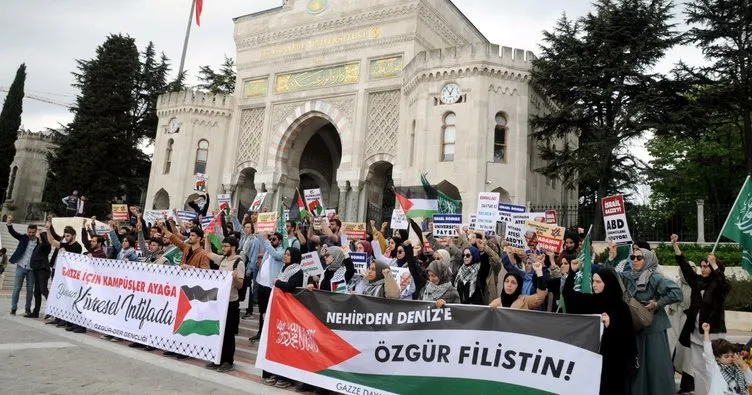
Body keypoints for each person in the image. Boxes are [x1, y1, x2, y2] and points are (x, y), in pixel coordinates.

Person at [605, 241, 683, 395]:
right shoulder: (628, 276)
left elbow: (677, 293)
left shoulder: (655, 277)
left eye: (639, 258)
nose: (634, 260)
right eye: (632, 257)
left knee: (655, 365)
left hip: (653, 329)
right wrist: (611, 257)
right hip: (635, 327)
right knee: (637, 365)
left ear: (647, 259)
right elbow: (608, 278)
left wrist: (657, 303)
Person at [560, 262, 637, 395]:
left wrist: (611, 323)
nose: (594, 284)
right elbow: (569, 296)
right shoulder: (590, 301)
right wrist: (572, 272)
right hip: (593, 359)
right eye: (593, 281)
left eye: (598, 281)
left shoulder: (620, 307)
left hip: (613, 362)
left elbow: (627, 336)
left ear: (608, 283)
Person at [673, 234, 731, 395]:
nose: (703, 268)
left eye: (707, 266)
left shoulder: (719, 284)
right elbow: (684, 267)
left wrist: (714, 263)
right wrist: (675, 245)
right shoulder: (698, 281)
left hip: (713, 333)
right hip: (695, 333)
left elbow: (724, 284)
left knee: (713, 366)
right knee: (698, 368)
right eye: (702, 266)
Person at [204, 235, 245, 373]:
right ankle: (217, 359)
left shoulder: (238, 263)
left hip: (231, 303)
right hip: (219, 302)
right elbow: (208, 253)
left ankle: (228, 361)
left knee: (228, 333)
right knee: (218, 331)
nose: (223, 248)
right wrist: (207, 239)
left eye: (226, 246)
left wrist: (235, 277)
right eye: (223, 246)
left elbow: (240, 285)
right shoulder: (222, 259)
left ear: (233, 247)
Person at [264, 247, 303, 389]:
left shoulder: (297, 271)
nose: (285, 257)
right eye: (285, 254)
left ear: (294, 257)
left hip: (289, 313)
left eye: (288, 255)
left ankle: (286, 377)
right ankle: (276, 372)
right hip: (279, 311)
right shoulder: (284, 269)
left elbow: (291, 287)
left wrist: (277, 282)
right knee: (277, 343)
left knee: (287, 344)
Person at [5, 216, 50, 317]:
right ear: (27, 231)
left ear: (35, 232)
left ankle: (27, 309)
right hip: (20, 266)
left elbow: (47, 247)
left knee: (30, 290)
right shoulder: (24, 238)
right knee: (16, 288)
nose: (31, 234)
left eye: (33, 232)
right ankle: (13, 308)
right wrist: (9, 224)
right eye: (29, 232)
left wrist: (41, 236)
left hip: (32, 269)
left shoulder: (39, 241)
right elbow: (13, 233)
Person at [249, 232, 284, 342]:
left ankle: (270, 335)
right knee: (262, 311)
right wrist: (261, 233)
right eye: (271, 239)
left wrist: (266, 241)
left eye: (274, 239)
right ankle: (261, 332)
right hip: (261, 284)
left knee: (270, 312)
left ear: (280, 241)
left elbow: (276, 255)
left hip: (270, 287)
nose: (271, 241)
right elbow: (261, 240)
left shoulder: (281, 251)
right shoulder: (269, 250)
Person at [702, 323, 752, 395]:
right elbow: (708, 352)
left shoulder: (738, 368)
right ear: (716, 357)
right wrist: (706, 332)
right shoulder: (714, 368)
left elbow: (750, 381)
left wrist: (743, 364)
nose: (730, 358)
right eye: (726, 356)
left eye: (732, 356)